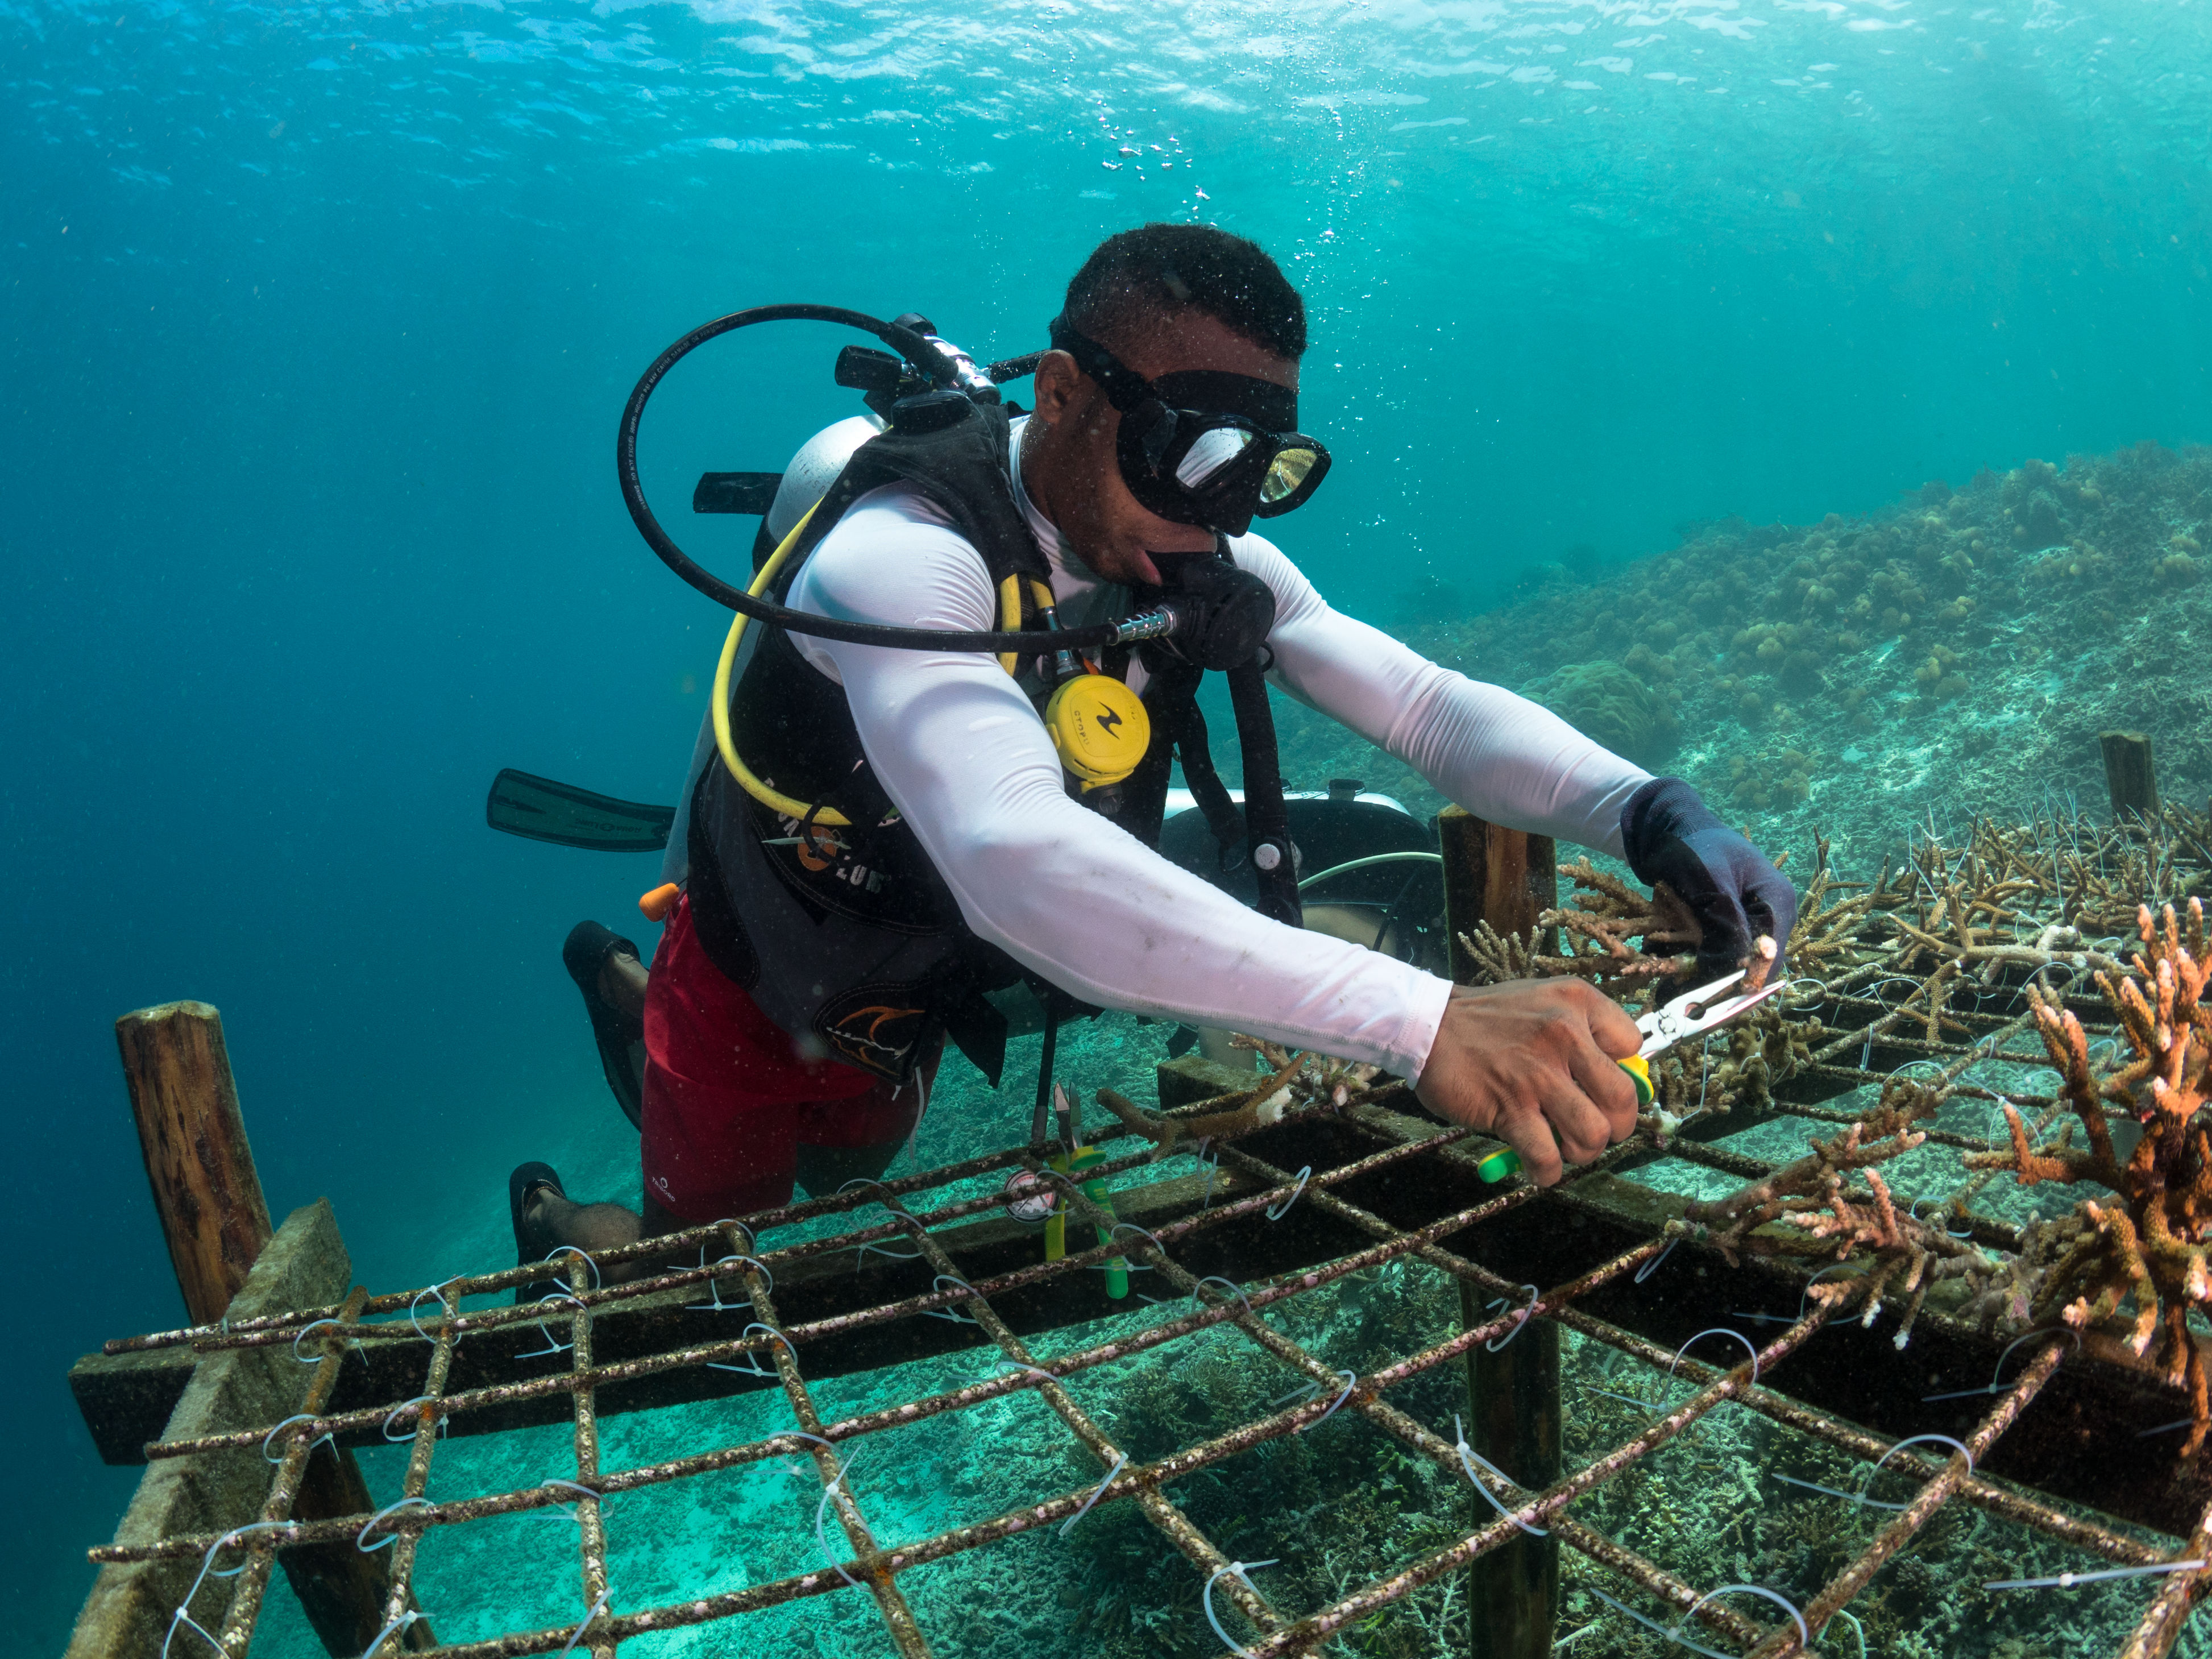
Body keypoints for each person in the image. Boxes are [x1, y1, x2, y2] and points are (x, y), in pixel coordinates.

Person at [511, 223, 1794, 1284]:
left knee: (849, 1165)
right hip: (758, 963)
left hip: (907, 994)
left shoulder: (1190, 553)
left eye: (1259, 472)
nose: (1214, 517)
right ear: (1066, 396)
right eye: (1189, 454)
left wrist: (1651, 811)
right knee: (700, 1262)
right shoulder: (898, 557)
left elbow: (1429, 710)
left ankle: (635, 991)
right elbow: (1012, 852)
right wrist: (1428, 1021)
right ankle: (605, 1065)